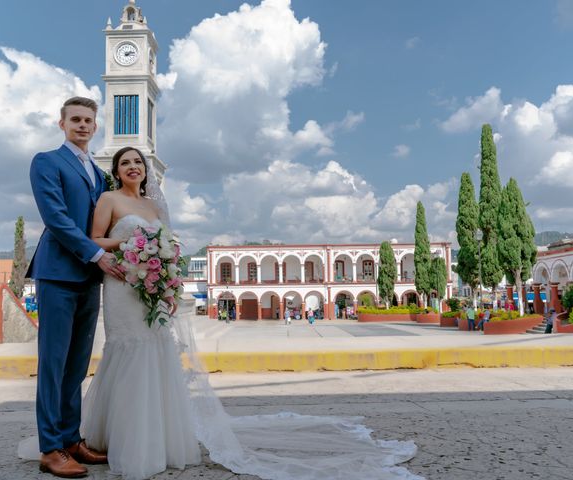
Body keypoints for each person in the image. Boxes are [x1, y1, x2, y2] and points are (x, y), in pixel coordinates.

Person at [22, 147, 423, 480]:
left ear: (146, 172)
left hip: (150, 284)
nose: (133, 167)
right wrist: (132, 247)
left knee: (152, 351)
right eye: (126, 163)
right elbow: (95, 239)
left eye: (138, 163)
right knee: (122, 352)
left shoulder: (153, 204)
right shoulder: (107, 198)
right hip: (120, 281)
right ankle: (97, 439)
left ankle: (146, 436)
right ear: (117, 170)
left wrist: (162, 276)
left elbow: (168, 247)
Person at [26, 97, 119, 478]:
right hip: (58, 273)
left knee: (77, 366)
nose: (82, 125)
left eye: (88, 121)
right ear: (62, 124)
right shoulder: (46, 161)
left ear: (95, 127)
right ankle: (50, 449)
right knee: (53, 364)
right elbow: (57, 218)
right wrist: (97, 254)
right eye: (75, 119)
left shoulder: (99, 174)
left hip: (88, 278)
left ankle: (70, 439)